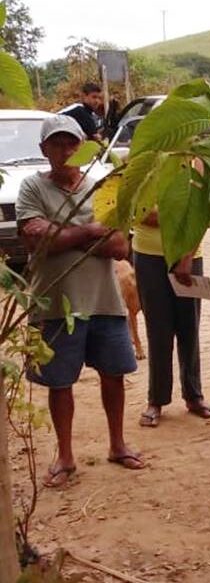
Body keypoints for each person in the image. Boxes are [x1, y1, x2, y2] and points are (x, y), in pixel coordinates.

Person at [15, 115, 144, 487]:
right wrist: (90, 230)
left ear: (84, 145)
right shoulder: (32, 188)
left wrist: (62, 233)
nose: (66, 150)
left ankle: (118, 444)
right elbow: (36, 238)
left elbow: (120, 247)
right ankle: (66, 456)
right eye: (57, 144)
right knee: (60, 382)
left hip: (105, 300)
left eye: (72, 143)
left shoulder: (100, 187)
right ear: (44, 150)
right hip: (54, 304)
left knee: (114, 375)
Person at [134, 179, 210, 427]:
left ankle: (194, 395)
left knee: (189, 327)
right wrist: (183, 216)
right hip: (149, 256)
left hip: (189, 258)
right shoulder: (140, 163)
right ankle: (156, 399)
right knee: (158, 329)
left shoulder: (197, 164)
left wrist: (187, 256)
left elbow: (204, 215)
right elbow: (140, 212)